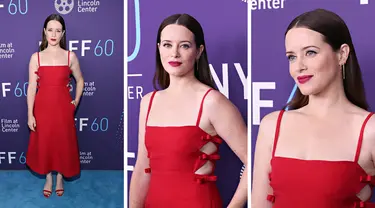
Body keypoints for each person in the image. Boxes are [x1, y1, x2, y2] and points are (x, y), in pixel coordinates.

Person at [251, 8, 375, 208]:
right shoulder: (273, 125)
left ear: (342, 54)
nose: (298, 66)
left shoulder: (369, 129)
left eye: (310, 53)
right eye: (291, 57)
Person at [129, 13, 248, 207]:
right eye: (167, 44)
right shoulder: (148, 102)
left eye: (184, 45)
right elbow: (143, 165)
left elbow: (255, 163)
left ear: (199, 51)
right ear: (159, 48)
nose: (174, 53)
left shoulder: (212, 102)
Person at [26, 14, 84, 198]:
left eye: (58, 30)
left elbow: (80, 80)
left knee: (62, 144)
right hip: (42, 110)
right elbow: (32, 87)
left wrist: (75, 101)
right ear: (44, 32)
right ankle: (48, 178)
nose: (53, 34)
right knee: (46, 144)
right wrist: (30, 114)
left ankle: (59, 177)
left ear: (63, 33)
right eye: (50, 30)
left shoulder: (70, 56)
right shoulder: (36, 57)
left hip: (63, 111)